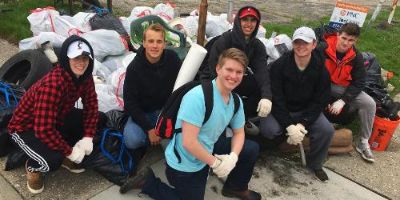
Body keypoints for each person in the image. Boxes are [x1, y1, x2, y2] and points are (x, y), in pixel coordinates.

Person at [120, 48, 261, 200]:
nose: (233, 76)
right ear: (218, 69)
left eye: (239, 72)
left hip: (209, 145)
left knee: (250, 148)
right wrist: (215, 163)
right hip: (186, 161)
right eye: (229, 69)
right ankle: (148, 182)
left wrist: (232, 157)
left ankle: (235, 188)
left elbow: (239, 133)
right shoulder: (198, 97)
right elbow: (189, 142)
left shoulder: (236, 101)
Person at [8, 35, 99, 194]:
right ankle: (33, 167)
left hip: (55, 119)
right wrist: (70, 152)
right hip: (26, 128)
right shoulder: (53, 85)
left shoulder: (85, 77)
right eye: (76, 57)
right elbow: (43, 129)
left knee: (99, 119)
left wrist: (88, 137)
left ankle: (63, 152)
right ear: (66, 58)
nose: (81, 62)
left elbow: (91, 106)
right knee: (53, 160)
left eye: (85, 57)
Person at [260, 27, 335, 182]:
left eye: (305, 43)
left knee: (326, 130)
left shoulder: (321, 69)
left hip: (306, 111)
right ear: (293, 44)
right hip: (282, 109)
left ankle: (315, 164)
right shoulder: (279, 65)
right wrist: (289, 126)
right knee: (268, 129)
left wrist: (302, 124)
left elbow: (320, 100)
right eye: (297, 42)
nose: (301, 46)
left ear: (313, 45)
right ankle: (274, 147)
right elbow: (277, 98)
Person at [201, 6, 272, 120]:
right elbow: (213, 69)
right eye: (245, 20)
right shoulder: (225, 40)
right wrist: (226, 94)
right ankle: (221, 117)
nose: (249, 24)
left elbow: (262, 72)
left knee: (260, 88)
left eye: (253, 20)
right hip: (214, 79)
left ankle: (239, 118)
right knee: (216, 102)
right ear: (238, 21)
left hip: (235, 77)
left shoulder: (257, 45)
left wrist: (266, 97)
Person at [319, 23, 376, 163]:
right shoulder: (323, 48)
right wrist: (324, 97)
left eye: (351, 40)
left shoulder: (356, 57)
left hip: (340, 88)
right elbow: (313, 73)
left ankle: (363, 141)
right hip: (320, 84)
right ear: (338, 35)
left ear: (356, 41)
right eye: (344, 38)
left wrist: (343, 100)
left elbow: (360, 82)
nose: (346, 43)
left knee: (369, 103)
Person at [122, 24, 181, 153]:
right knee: (131, 139)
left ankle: (163, 136)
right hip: (144, 113)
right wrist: (149, 129)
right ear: (143, 43)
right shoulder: (134, 68)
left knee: (181, 142)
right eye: (150, 41)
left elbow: (182, 87)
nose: (155, 46)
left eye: (159, 41)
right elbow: (130, 103)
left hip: (167, 113)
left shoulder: (173, 59)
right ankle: (157, 136)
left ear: (165, 44)